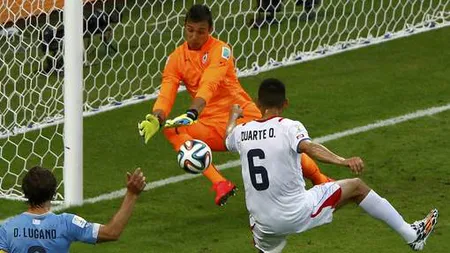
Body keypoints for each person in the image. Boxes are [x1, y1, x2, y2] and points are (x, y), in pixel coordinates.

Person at [138, 4, 330, 206]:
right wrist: (157, 118)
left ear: (210, 30)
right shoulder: (176, 58)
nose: (194, 36)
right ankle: (220, 183)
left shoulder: (221, 50)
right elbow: (167, 92)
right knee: (173, 130)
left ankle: (320, 179)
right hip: (211, 125)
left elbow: (209, 84)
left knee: (280, 147)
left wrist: (193, 112)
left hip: (242, 117)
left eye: (201, 32)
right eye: (190, 30)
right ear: (184, 27)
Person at [224, 78, 438, 252]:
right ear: (285, 103)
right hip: (296, 212)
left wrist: (234, 116)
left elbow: (228, 138)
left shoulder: (242, 132)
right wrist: (343, 160)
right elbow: (309, 148)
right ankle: (412, 236)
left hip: (263, 222)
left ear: (257, 103)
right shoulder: (288, 127)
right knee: (356, 187)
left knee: (267, 248)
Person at [0, 166, 146, 252]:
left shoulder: (7, 229)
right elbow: (112, 232)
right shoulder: (67, 223)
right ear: (53, 194)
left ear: (25, 193)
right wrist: (132, 195)